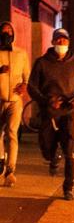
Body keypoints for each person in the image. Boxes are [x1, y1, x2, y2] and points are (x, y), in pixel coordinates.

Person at [28, 28, 74, 200]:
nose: (61, 43)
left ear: (69, 43)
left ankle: (68, 188)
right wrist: (46, 100)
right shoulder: (41, 63)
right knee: (46, 146)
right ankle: (52, 157)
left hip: (69, 111)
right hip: (49, 112)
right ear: (53, 42)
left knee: (70, 150)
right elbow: (32, 87)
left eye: (64, 40)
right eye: (58, 40)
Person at [0, 22, 29, 187]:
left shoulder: (21, 53)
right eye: (4, 30)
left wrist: (25, 85)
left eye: (10, 30)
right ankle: (0, 161)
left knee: (12, 133)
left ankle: (11, 170)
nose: (7, 32)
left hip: (15, 101)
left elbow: (27, 75)